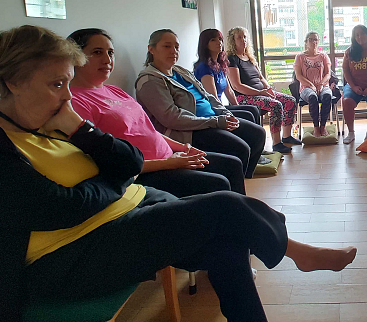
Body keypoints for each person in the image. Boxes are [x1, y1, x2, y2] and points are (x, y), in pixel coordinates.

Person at [0, 25, 357, 322]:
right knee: (224, 205)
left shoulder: (51, 119)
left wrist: (82, 132)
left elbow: (126, 160)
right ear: (14, 81)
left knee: (226, 235)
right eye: (56, 84)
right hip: (66, 258)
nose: (68, 96)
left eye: (68, 82)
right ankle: (294, 252)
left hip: (128, 212)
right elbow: (58, 208)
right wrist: (114, 182)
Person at [68, 28, 242, 196]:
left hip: (171, 156)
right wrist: (168, 163)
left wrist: (184, 147)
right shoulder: (76, 102)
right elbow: (102, 161)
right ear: (75, 57)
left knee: (232, 164)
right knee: (219, 183)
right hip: (145, 172)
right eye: (97, 52)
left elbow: (149, 130)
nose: (107, 59)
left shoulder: (114, 90)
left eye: (110, 53)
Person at [135, 29, 266, 180]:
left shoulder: (180, 71)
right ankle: (235, 180)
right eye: (167, 46)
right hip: (190, 130)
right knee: (241, 149)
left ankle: (243, 177)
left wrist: (224, 112)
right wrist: (215, 122)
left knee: (257, 133)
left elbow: (208, 95)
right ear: (151, 49)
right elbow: (172, 118)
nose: (173, 51)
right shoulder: (149, 81)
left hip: (211, 118)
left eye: (176, 47)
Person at [226, 26, 299, 154]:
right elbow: (237, 86)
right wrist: (260, 92)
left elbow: (260, 77)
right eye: (239, 37)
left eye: (244, 37)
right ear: (233, 40)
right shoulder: (232, 59)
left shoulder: (249, 57)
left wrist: (268, 89)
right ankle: (276, 143)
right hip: (244, 97)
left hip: (261, 93)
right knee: (276, 105)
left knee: (290, 100)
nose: (243, 40)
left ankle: (286, 136)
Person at [193, 28, 261, 124]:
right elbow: (213, 98)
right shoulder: (204, 68)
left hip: (220, 107)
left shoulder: (220, 65)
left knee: (253, 110)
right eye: (213, 40)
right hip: (213, 111)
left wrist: (239, 107)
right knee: (248, 115)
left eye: (220, 39)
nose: (219, 42)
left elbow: (229, 91)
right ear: (205, 44)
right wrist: (228, 115)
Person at [294, 31, 333, 137]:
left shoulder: (323, 56)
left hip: (323, 85)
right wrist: (311, 85)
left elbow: (328, 74)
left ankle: (323, 126)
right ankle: (316, 127)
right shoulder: (300, 57)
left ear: (318, 41)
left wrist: (321, 84)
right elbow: (298, 76)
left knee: (327, 95)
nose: (313, 42)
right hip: (306, 87)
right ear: (306, 42)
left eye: (315, 39)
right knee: (312, 97)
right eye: (311, 39)